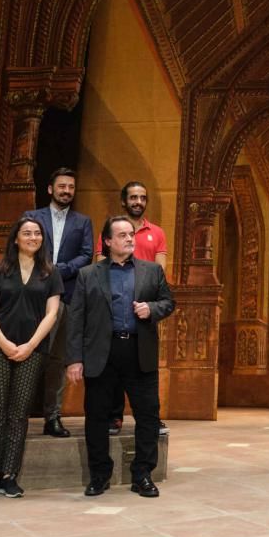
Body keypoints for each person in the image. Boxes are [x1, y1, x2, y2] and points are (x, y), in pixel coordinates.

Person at [66, 216, 175, 498]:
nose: (130, 239)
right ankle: (100, 475)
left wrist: (151, 309)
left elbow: (168, 302)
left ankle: (142, 475)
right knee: (97, 417)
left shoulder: (152, 271)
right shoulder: (88, 274)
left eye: (131, 234)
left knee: (148, 416)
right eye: (123, 235)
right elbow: (76, 319)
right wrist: (74, 359)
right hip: (102, 353)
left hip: (139, 352)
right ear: (108, 241)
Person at [0, 217, 63, 500]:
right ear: (16, 238)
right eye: (27, 233)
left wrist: (29, 345)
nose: (33, 237)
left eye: (37, 233)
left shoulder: (50, 273)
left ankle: (10, 476)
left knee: (18, 413)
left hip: (33, 349)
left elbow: (52, 314)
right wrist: (3, 342)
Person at [95, 181, 167, 436]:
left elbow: (161, 270)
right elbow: (100, 266)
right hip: (114, 307)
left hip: (144, 308)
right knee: (113, 365)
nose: (138, 201)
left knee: (145, 367)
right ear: (124, 201)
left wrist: (151, 302)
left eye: (143, 197)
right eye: (133, 197)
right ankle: (114, 417)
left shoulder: (156, 232)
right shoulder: (111, 229)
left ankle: (150, 418)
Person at [25, 167, 93, 438]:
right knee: (28, 354)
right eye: (62, 186)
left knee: (57, 359)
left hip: (66, 295)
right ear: (50, 189)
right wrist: (44, 269)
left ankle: (52, 416)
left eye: (71, 187)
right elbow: (22, 246)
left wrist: (59, 270)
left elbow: (86, 254)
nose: (67, 191)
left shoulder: (82, 221)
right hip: (33, 296)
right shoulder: (32, 217)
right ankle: (17, 415)